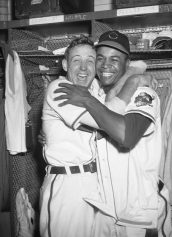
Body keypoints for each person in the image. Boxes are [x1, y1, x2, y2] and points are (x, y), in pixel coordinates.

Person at [54, 30, 172, 237]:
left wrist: (88, 100)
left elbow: (126, 136)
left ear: (127, 65)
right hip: (106, 211)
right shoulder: (99, 95)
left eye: (115, 59)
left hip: (139, 212)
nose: (106, 65)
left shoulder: (143, 94)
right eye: (100, 58)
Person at [39, 35, 101, 237]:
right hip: (67, 185)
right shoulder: (59, 88)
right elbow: (108, 123)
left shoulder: (96, 89)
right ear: (65, 64)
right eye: (76, 60)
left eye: (90, 60)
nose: (84, 68)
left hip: (94, 183)